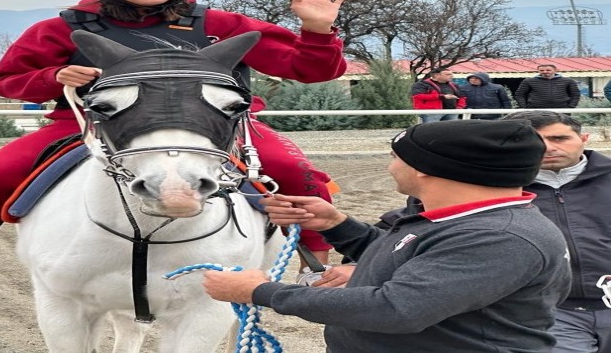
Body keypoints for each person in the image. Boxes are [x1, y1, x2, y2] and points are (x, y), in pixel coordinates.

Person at [0, 0, 348, 301]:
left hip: (213, 125)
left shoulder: (220, 23)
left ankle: (315, 265)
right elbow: (8, 81)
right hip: (91, 123)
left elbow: (310, 70)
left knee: (293, 171)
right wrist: (54, 76)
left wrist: (317, 30)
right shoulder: (61, 28)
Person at [203, 119, 572, 353]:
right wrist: (336, 225)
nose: (390, 165)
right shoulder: (460, 220)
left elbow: (394, 310)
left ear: (427, 168)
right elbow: (410, 259)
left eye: (397, 156)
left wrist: (260, 292)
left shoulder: (499, 238)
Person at [500, 111, 611, 353]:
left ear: (583, 138)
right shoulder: (491, 189)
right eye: (535, 141)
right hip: (548, 312)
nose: (548, 148)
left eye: (559, 138)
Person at [515, 64, 580, 109]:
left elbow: (575, 94)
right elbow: (519, 94)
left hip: (562, 109)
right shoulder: (528, 81)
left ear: (555, 70)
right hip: (536, 110)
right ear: (538, 71)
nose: (545, 72)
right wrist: (524, 107)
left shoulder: (568, 81)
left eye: (548, 70)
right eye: (542, 70)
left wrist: (571, 106)